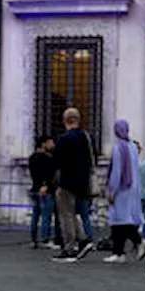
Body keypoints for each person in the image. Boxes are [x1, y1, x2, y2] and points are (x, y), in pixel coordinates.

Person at [51, 108, 96, 262]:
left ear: (65, 120)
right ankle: (83, 239)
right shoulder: (86, 137)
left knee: (66, 215)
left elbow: (57, 161)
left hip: (67, 181)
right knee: (74, 213)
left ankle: (70, 248)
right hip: (82, 182)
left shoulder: (64, 139)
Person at [104, 119, 143, 263]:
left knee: (121, 221)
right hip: (132, 188)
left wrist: (112, 191)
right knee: (122, 221)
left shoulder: (118, 148)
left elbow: (117, 171)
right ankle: (119, 251)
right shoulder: (132, 146)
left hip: (121, 189)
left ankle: (136, 241)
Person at [28, 136, 57, 248]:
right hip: (46, 190)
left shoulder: (32, 157)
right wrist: (44, 185)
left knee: (35, 214)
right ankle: (45, 239)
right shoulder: (46, 158)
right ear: (43, 144)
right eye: (50, 142)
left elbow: (34, 174)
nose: (52, 144)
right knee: (46, 215)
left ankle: (34, 239)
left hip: (34, 188)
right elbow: (47, 174)